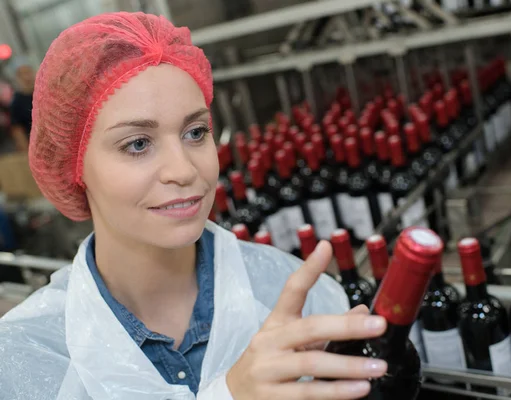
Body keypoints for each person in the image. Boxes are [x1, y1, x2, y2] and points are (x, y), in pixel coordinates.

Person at [0, 12, 388, 399]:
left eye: (195, 132)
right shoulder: (27, 353)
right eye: (137, 143)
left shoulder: (296, 295)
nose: (184, 170)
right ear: (72, 165)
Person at [8, 59, 35, 152]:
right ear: (17, 77)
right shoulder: (16, 102)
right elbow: (17, 130)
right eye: (22, 74)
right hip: (35, 146)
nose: (27, 77)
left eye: (28, 71)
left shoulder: (43, 93)